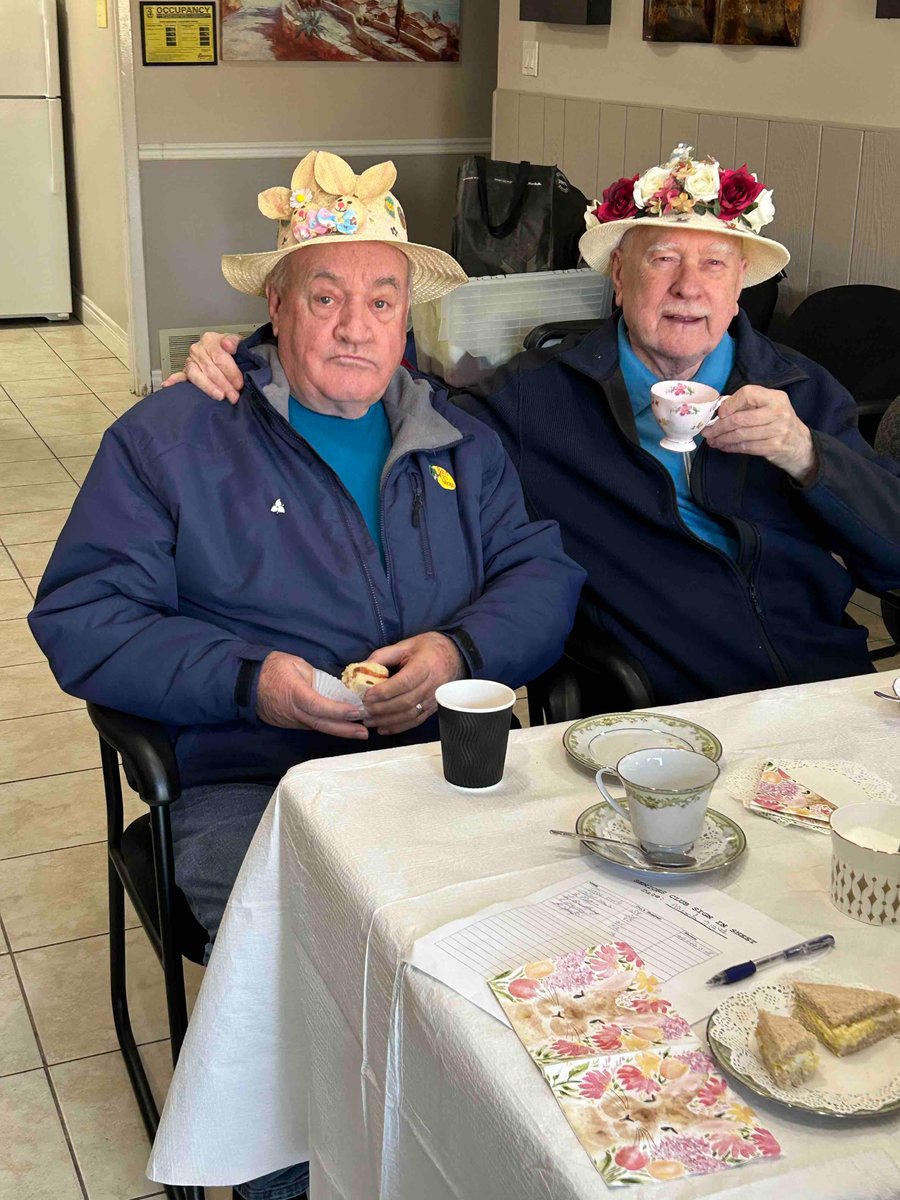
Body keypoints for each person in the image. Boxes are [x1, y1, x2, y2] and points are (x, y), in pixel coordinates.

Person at [29, 150, 584, 1200]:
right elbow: (82, 617)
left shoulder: (461, 431)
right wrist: (248, 679)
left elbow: (540, 571)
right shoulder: (172, 439)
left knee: (542, 932)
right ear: (274, 312)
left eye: (382, 299)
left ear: (407, 318)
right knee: (317, 969)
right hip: (254, 782)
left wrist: (462, 652)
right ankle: (289, 1174)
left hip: (441, 760)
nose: (355, 325)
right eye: (323, 297)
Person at [176, 145, 900, 705]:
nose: (688, 287)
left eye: (714, 264)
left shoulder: (798, 392)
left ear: (742, 283)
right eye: (662, 260)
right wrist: (255, 356)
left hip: (824, 690)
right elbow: (379, 382)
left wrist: (812, 458)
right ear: (617, 276)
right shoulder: (539, 400)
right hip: (667, 708)